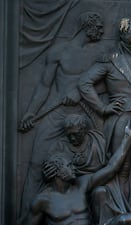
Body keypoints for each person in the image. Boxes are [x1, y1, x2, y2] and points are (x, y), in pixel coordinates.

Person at [17, 11, 105, 225]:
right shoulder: (58, 51)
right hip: (56, 113)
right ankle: (28, 214)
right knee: (37, 160)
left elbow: (106, 82)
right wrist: (31, 111)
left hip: (85, 113)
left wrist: (81, 91)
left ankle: (80, 211)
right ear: (88, 26)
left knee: (94, 163)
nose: (102, 32)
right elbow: (44, 86)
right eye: (98, 28)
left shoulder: (99, 54)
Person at [79, 17, 131, 200]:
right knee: (121, 170)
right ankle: (122, 215)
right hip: (122, 120)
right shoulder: (110, 59)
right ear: (123, 34)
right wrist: (102, 108)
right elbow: (85, 82)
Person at [28, 120, 131, 225]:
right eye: (69, 166)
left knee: (127, 219)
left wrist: (128, 139)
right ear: (58, 172)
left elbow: (111, 168)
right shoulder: (42, 201)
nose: (73, 168)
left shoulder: (81, 185)